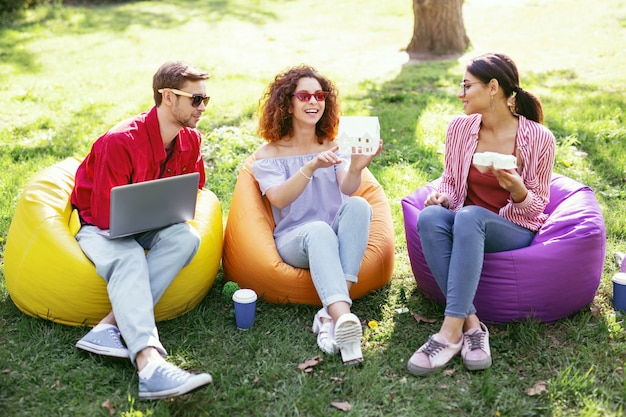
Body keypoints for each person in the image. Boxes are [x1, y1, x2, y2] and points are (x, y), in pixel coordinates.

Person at [71, 61, 213, 399]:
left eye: (206, 100)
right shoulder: (119, 141)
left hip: (149, 222)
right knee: (129, 254)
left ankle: (107, 327)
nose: (203, 108)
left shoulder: (190, 140)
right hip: (98, 226)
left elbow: (195, 188)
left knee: (185, 238)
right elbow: (105, 216)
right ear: (167, 97)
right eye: (195, 99)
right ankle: (149, 364)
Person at [407, 53, 556, 376]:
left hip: (513, 226)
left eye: (466, 86)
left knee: (471, 216)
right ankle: (472, 326)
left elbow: (537, 205)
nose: (460, 94)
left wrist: (517, 189)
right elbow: (450, 179)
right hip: (464, 220)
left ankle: (448, 334)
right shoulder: (460, 128)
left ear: (492, 88)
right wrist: (442, 196)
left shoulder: (539, 138)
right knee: (430, 217)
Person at [251, 65, 382, 365]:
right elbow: (279, 197)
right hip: (294, 239)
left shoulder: (332, 143)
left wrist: (358, 166)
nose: (314, 102)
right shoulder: (269, 154)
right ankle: (343, 315)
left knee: (360, 205)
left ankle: (330, 317)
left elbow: (348, 187)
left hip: (332, 233)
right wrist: (309, 167)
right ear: (287, 102)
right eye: (304, 96)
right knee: (318, 230)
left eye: (319, 95)